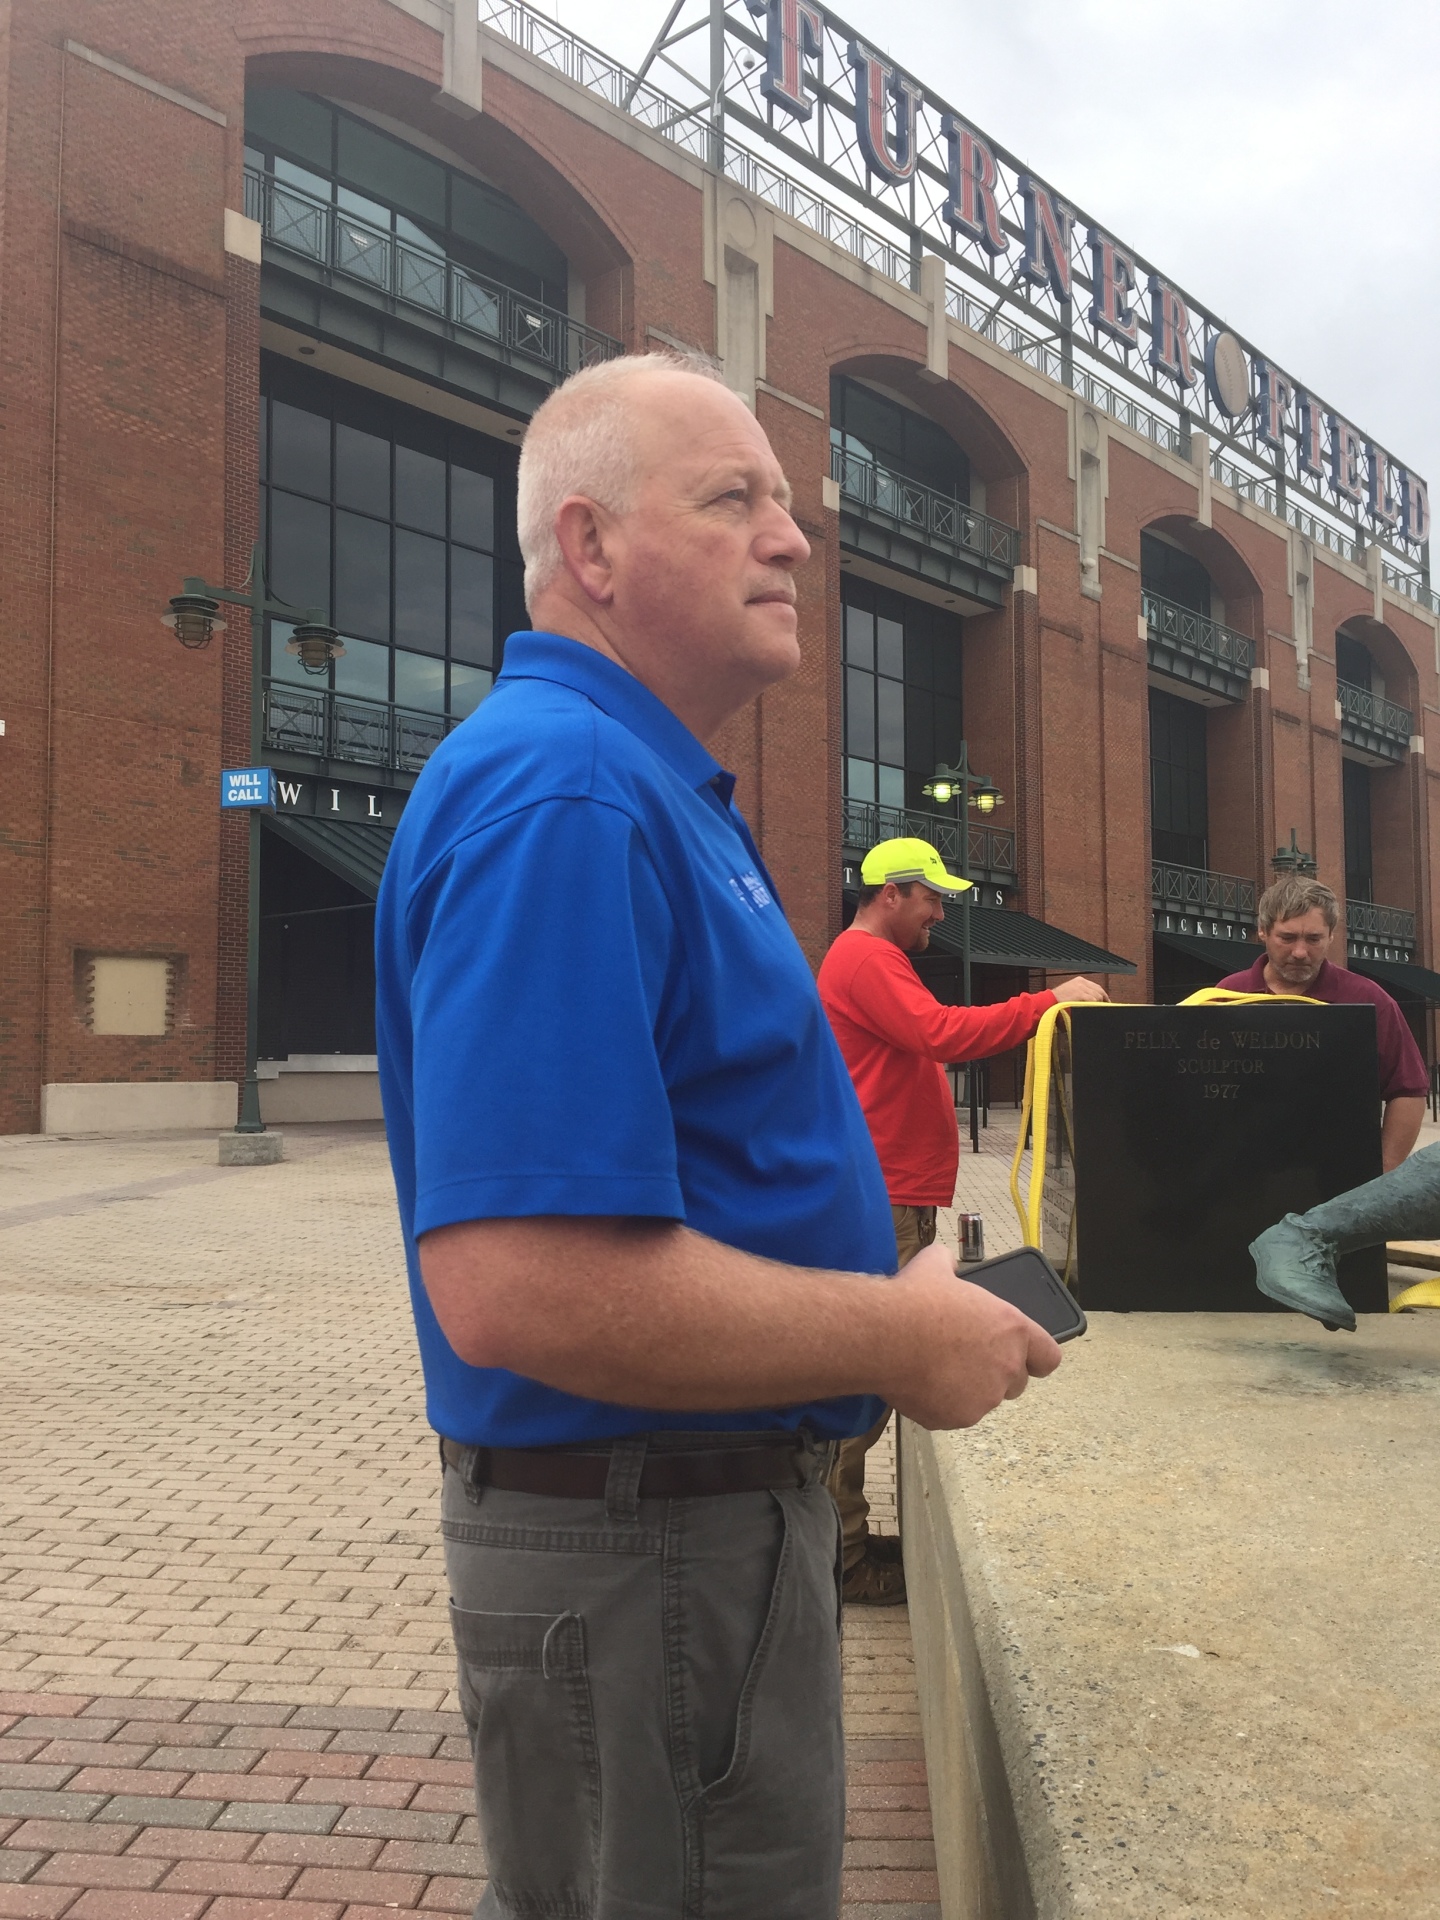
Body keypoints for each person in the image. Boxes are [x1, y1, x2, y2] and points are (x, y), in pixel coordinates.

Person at [374, 351, 1064, 1916]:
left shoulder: (641, 787)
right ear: (592, 548)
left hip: (679, 1541)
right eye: (733, 498)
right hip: (649, 1550)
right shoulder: (568, 793)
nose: (795, 539)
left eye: (789, 503)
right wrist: (894, 1333)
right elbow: (524, 1283)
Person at [818, 840, 1107, 1602]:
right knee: (871, 1372)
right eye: (932, 900)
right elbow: (943, 1034)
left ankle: (840, 1539)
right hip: (885, 1191)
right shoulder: (868, 958)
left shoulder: (865, 959)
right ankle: (840, 1559)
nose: (940, 916)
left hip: (891, 1188)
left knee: (874, 1372)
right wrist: (1050, 1000)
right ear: (890, 893)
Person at [1217, 877, 1426, 1172]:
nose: (1300, 952)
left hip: (1338, 1176)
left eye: (1313, 939)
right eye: (1287, 938)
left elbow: (1408, 1088)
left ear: (1331, 936)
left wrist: (1382, 1171)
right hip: (1242, 1175)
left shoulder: (1368, 999)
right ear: (1262, 931)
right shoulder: (1225, 995)